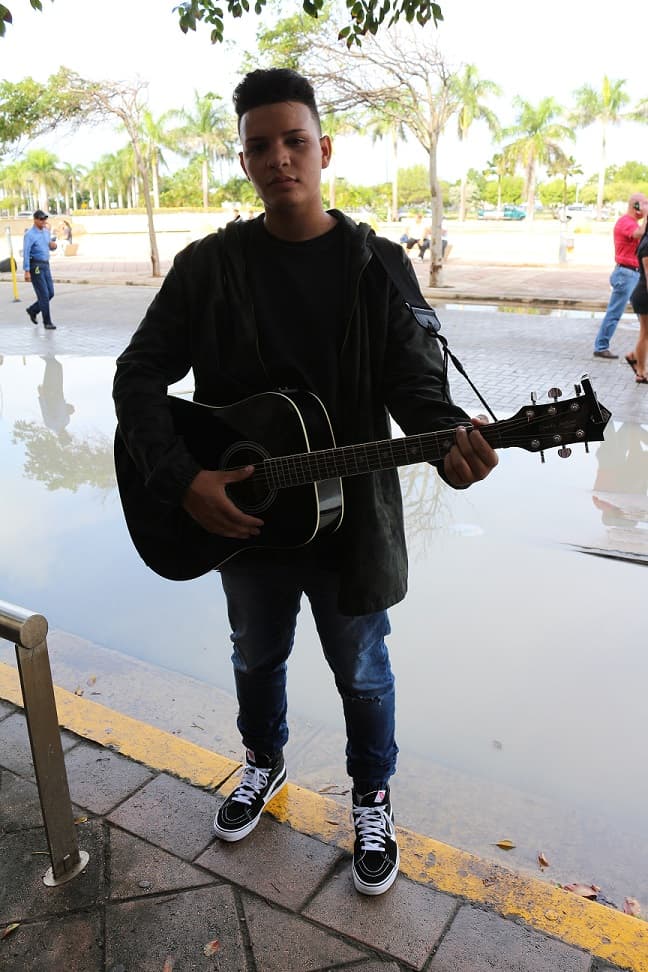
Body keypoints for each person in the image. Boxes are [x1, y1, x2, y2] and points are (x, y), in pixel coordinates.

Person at [112, 68, 499, 897]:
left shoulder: (377, 267)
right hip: (245, 521)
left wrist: (452, 445)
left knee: (362, 669)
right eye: (261, 145)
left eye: (295, 141)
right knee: (257, 651)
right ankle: (262, 762)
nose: (279, 157)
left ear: (324, 149)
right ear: (245, 160)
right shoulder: (208, 267)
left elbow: (419, 393)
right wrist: (182, 481)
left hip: (350, 527)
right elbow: (136, 376)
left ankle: (371, 797)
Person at [593, 193, 648, 359]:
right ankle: (601, 346)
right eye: (644, 203)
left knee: (643, 316)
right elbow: (638, 234)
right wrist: (646, 216)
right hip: (625, 273)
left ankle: (637, 354)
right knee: (615, 312)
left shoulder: (635, 222)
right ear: (635, 206)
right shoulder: (625, 222)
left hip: (635, 274)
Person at [23, 209, 57, 330]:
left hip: (45, 264)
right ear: (35, 219)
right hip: (35, 265)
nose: (43, 221)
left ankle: (33, 310)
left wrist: (54, 246)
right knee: (43, 295)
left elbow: (50, 245)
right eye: (41, 219)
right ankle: (47, 322)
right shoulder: (29, 235)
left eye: (45, 219)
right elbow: (26, 252)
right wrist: (27, 270)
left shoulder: (46, 232)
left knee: (50, 293)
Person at [627, 226, 648, 384]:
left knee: (646, 333)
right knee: (645, 333)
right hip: (644, 294)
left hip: (641, 293)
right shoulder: (647, 244)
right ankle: (641, 372)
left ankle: (634, 356)